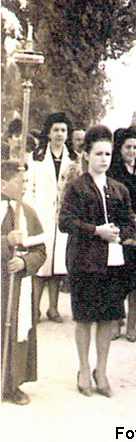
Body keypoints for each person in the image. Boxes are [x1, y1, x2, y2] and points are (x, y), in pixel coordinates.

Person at [58, 125, 136, 397]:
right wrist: (96, 231)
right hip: (84, 261)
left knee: (107, 318)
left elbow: (130, 225)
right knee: (84, 318)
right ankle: (83, 369)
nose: (104, 159)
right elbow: (65, 222)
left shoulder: (119, 189)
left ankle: (100, 370)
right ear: (87, 155)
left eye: (107, 154)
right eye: (98, 154)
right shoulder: (76, 187)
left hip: (112, 262)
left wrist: (119, 233)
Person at [26, 113, 80, 323]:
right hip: (41, 214)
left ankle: (53, 308)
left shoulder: (74, 159)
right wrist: (32, 214)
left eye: (63, 130)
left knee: (58, 265)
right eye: (56, 130)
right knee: (41, 264)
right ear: (48, 133)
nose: (59, 134)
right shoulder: (36, 157)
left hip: (63, 217)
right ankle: (35, 308)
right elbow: (29, 188)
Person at [1, 161, 46, 404]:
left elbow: (40, 252)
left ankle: (13, 384)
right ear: (3, 184)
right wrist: (5, 241)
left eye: (27, 181)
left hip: (17, 286)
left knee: (16, 331)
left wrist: (24, 262)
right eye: (20, 182)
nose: (25, 186)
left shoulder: (28, 213)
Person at [107, 127, 136, 341]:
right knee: (117, 281)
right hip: (121, 231)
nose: (132, 151)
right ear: (119, 148)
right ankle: (116, 323)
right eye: (128, 147)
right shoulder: (113, 173)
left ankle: (132, 326)